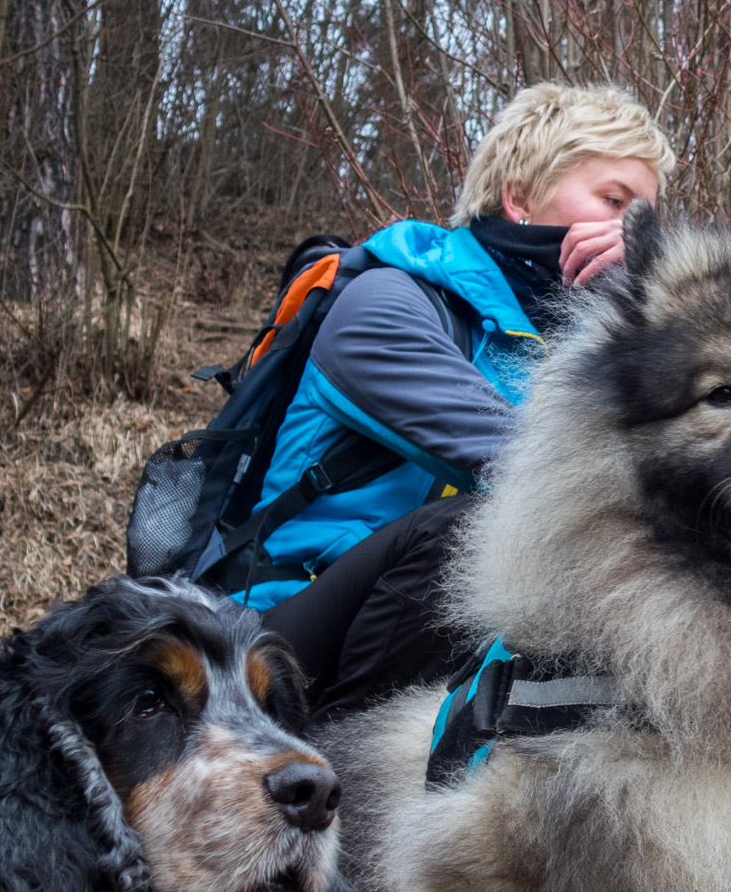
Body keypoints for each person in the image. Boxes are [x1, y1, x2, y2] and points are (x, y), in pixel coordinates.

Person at [248, 83, 674, 724]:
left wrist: (665, 283)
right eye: (615, 201)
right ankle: (340, 763)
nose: (627, 233)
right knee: (473, 532)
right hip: (280, 632)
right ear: (519, 195)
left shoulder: (568, 344)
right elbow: (537, 469)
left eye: (645, 220)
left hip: (426, 630)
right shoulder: (386, 304)